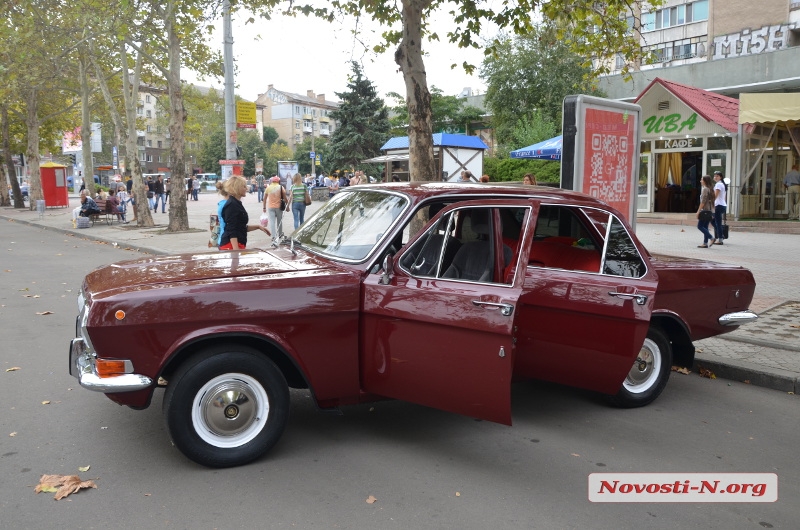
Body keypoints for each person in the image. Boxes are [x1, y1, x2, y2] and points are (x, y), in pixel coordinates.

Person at [218, 176, 270, 250]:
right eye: (244, 186)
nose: (246, 188)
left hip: (236, 244)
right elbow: (231, 230)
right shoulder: (232, 204)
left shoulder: (236, 203)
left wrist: (258, 227)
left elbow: (240, 227)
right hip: (231, 245)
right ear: (237, 188)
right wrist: (236, 251)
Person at [262, 176, 287, 246]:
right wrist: (287, 206)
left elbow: (264, 199)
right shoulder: (281, 187)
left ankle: (273, 236)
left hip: (270, 207)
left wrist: (264, 207)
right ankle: (280, 234)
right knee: (280, 221)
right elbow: (285, 197)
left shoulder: (268, 188)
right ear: (278, 181)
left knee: (272, 221)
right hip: (279, 207)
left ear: (272, 181)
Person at [695, 175, 715, 248]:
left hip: (705, 210)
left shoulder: (705, 189)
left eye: (701, 180)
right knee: (705, 227)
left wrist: (698, 211)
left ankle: (711, 238)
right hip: (710, 210)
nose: (700, 181)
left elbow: (703, 202)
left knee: (700, 226)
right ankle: (705, 243)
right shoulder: (711, 189)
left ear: (705, 181)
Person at [711, 171, 728, 245]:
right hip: (721, 205)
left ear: (720, 177)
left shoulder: (719, 185)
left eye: (717, 176)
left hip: (718, 205)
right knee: (712, 220)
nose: (715, 177)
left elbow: (715, 196)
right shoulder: (721, 184)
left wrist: (711, 203)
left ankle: (720, 239)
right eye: (714, 176)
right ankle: (721, 234)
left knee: (718, 223)